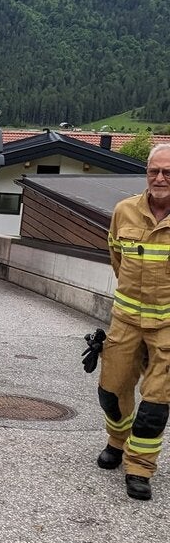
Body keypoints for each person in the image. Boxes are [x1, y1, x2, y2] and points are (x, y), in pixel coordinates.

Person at [97, 143, 170, 501]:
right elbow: (116, 259)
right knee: (111, 389)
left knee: (156, 401)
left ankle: (140, 467)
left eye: (167, 172)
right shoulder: (124, 211)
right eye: (154, 171)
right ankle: (117, 440)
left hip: (168, 328)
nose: (159, 178)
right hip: (125, 320)